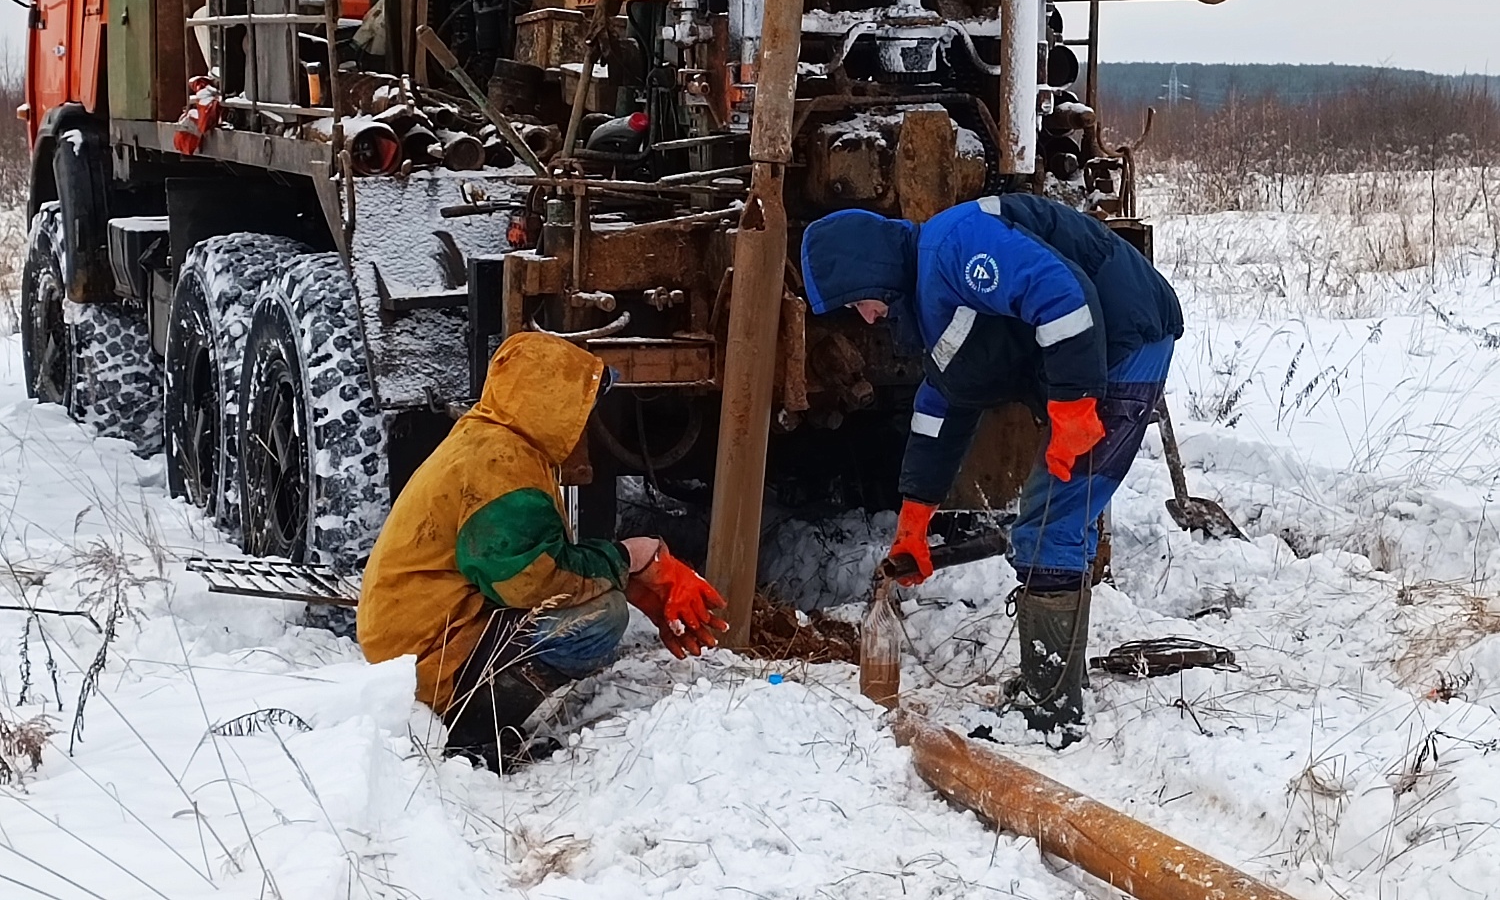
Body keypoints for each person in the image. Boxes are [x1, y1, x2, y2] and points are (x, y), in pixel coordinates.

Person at [800, 194, 1182, 745]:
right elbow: (945, 400)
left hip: (1124, 345)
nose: (863, 317)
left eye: (856, 301)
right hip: (1099, 354)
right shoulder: (932, 294)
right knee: (1050, 522)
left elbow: (1061, 294)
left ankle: (1050, 712)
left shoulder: (955, 247)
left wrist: (1074, 405)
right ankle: (1045, 688)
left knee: (1050, 523)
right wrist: (915, 516)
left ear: (872, 271)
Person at [357, 331, 726, 769]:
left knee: (596, 603)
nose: (588, 415)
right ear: (551, 400)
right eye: (581, 400)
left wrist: (623, 573)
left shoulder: (496, 441)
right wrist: (627, 560)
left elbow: (528, 560)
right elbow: (529, 580)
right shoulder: (501, 462)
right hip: (426, 652)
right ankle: (472, 737)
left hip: (424, 633)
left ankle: (472, 718)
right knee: (597, 619)